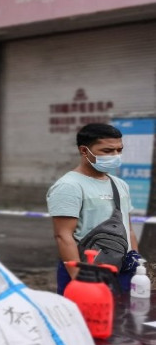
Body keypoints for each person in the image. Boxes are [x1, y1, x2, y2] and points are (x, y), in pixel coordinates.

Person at [48, 122, 139, 294]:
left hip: (121, 269)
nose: (115, 155)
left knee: (122, 318)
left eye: (119, 150)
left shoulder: (120, 184)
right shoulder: (69, 186)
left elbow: (129, 229)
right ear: (84, 151)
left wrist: (135, 261)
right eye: (107, 151)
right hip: (86, 270)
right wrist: (79, 279)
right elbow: (63, 235)